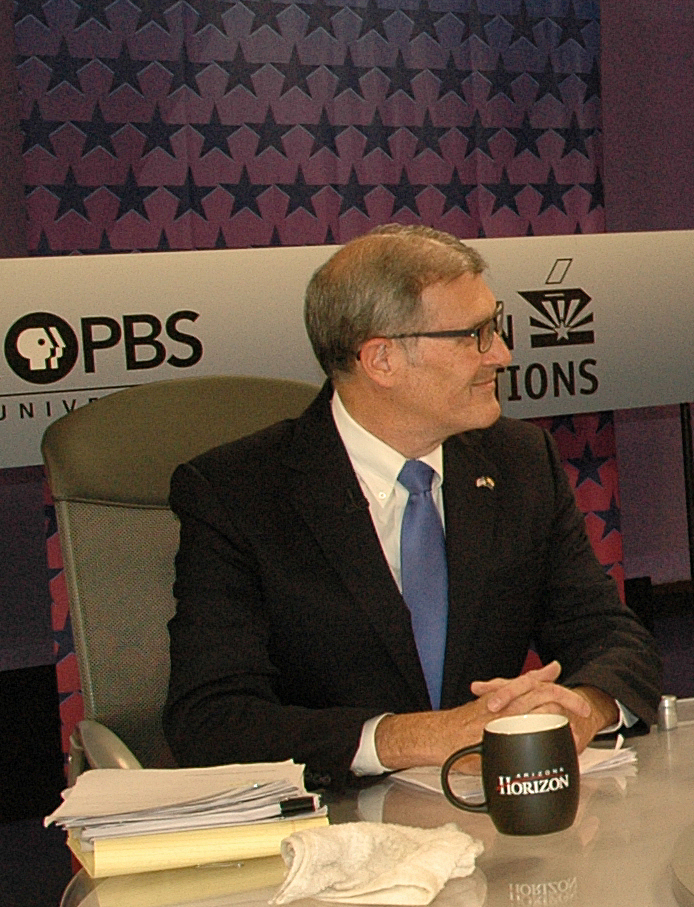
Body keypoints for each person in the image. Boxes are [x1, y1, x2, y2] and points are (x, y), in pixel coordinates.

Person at [165, 224, 660, 787]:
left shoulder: (520, 462)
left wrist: (579, 710)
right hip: (327, 829)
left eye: (494, 326)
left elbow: (612, 638)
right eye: (474, 334)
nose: (501, 354)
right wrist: (418, 738)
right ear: (381, 360)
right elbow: (211, 720)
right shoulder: (236, 493)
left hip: (494, 813)